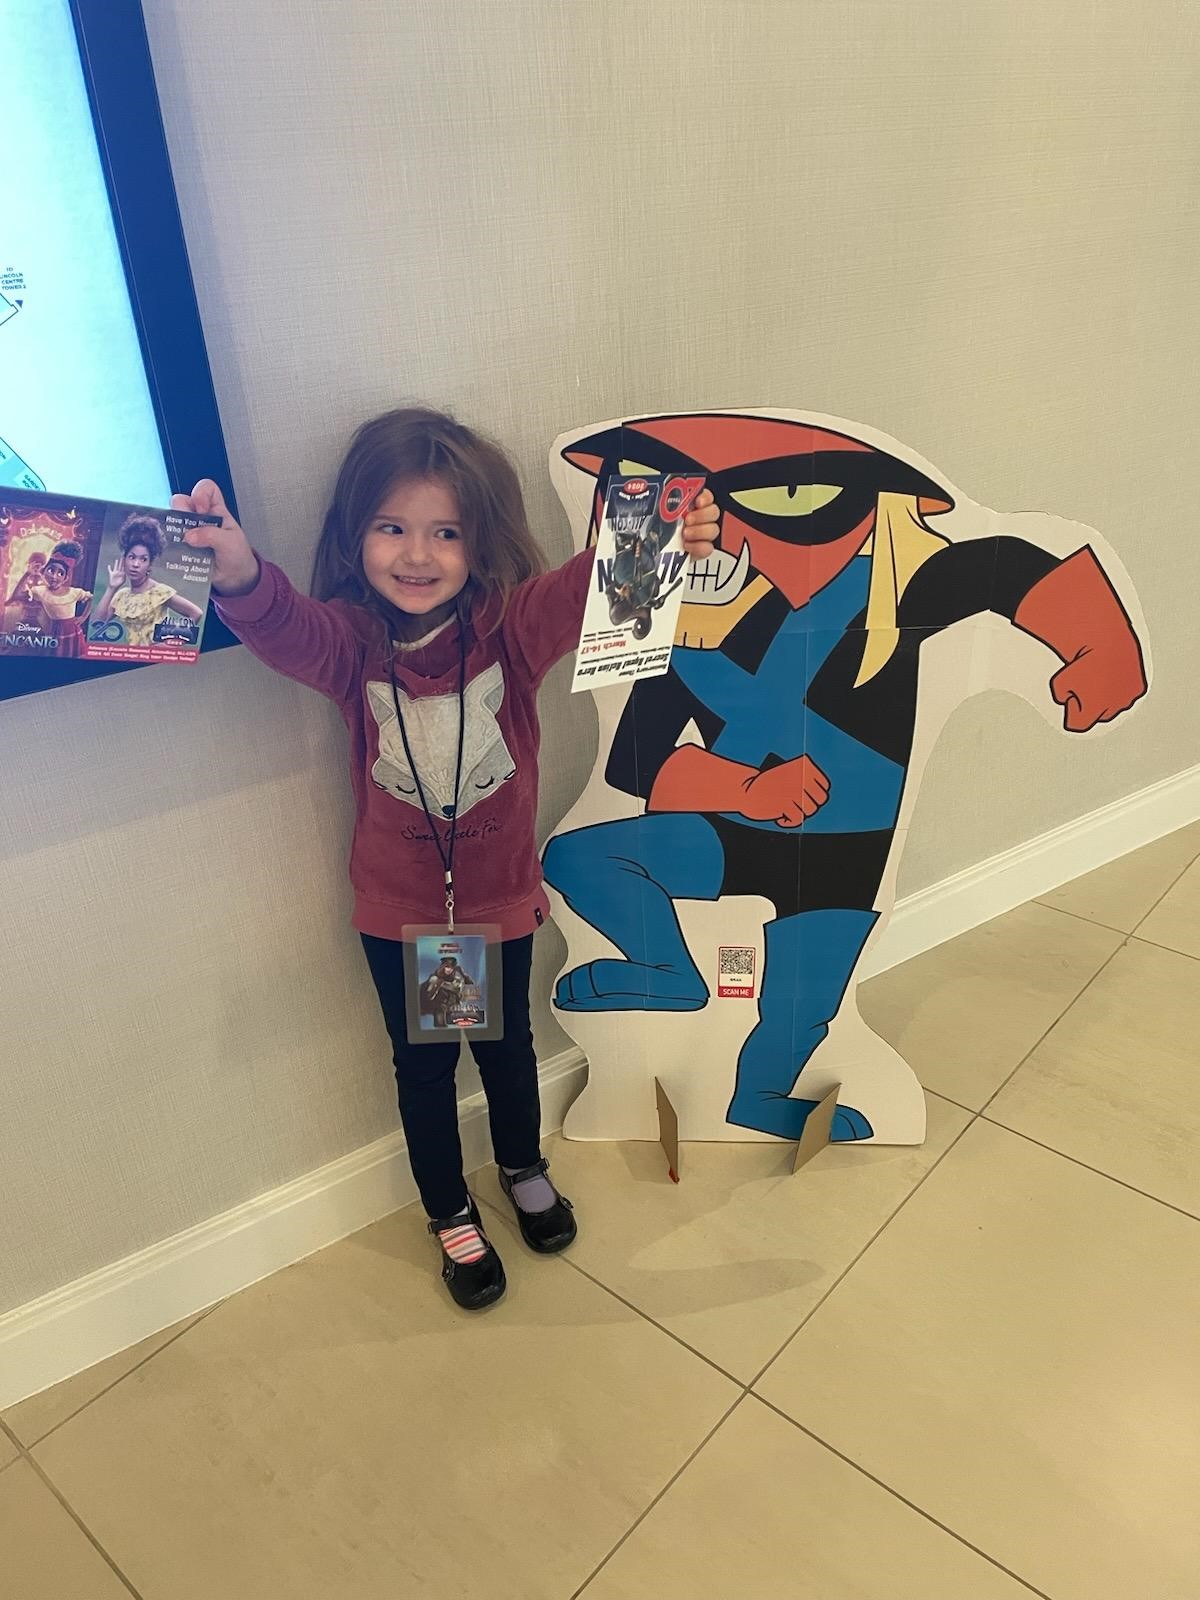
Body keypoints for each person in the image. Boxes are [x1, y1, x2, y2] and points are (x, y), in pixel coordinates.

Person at [173, 408, 717, 1311]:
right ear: (357, 536)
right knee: (427, 1069)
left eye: (446, 533)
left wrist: (659, 538)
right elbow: (288, 627)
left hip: (496, 906)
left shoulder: (509, 629)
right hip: (409, 921)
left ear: (478, 541)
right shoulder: (354, 644)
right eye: (392, 528)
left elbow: (579, 592)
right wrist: (236, 573)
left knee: (506, 1053)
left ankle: (521, 1167)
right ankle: (449, 1211)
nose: (417, 555)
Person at [92, 515, 205, 645]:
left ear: (150, 565)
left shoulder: (159, 592)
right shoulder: (122, 596)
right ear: (124, 560)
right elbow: (96, 624)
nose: (136, 564)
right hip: (132, 655)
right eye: (132, 557)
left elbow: (196, 613)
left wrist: (169, 643)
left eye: (143, 559)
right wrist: (112, 588)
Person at [27, 542, 91, 655]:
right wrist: (28, 574)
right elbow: (20, 594)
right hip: (54, 631)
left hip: (73, 633)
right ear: (43, 572)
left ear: (66, 578)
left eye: (60, 573)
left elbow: (91, 598)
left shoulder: (74, 592)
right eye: (51, 571)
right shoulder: (40, 591)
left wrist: (84, 617)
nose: (54, 577)